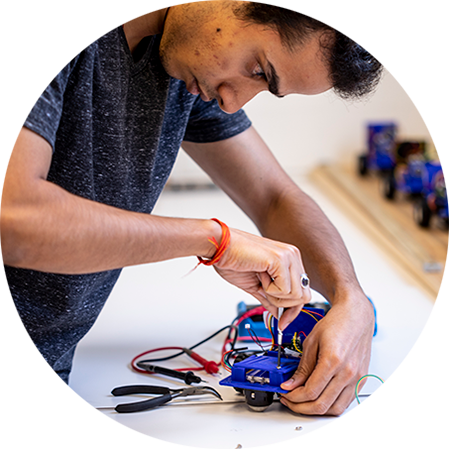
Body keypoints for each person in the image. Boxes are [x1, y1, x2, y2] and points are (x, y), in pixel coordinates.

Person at [0, 0, 381, 416]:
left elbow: (275, 197)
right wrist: (215, 240)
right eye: (258, 70)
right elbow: (12, 216)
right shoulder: (32, 21)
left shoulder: (185, 62)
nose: (233, 103)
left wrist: (350, 298)